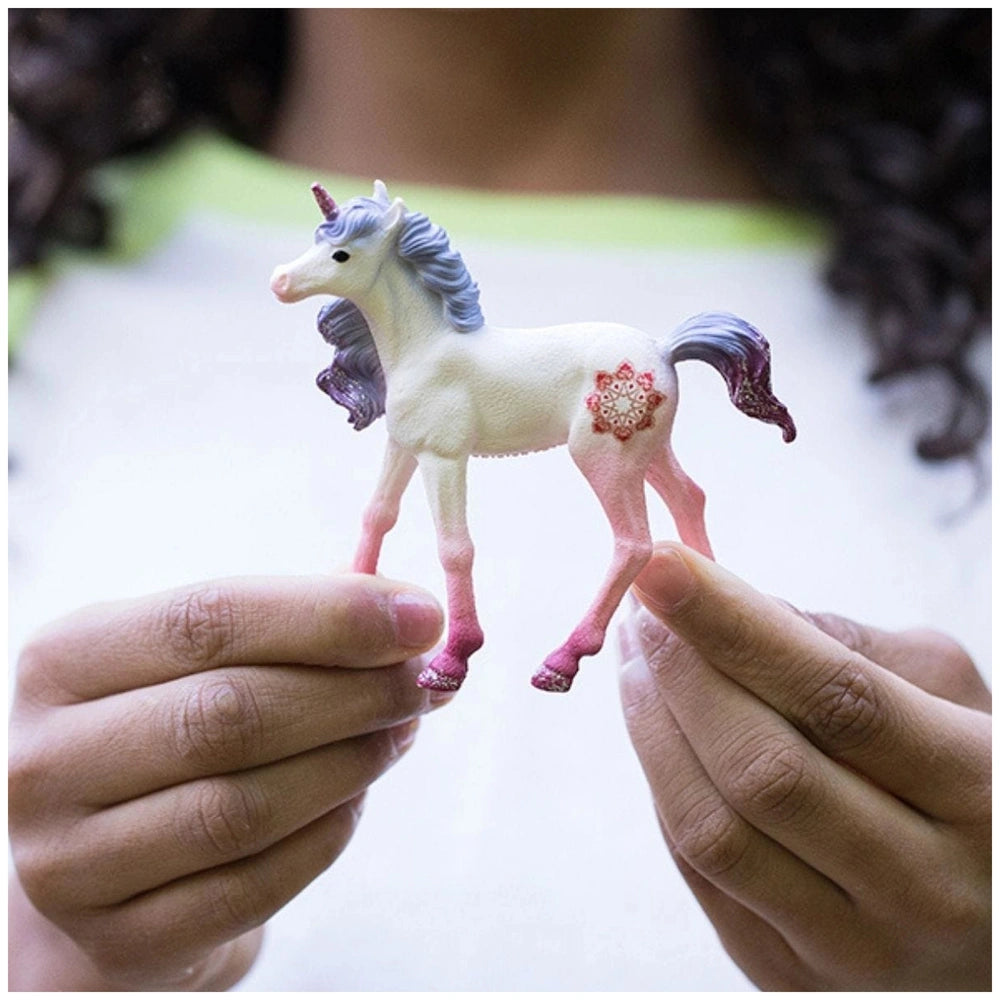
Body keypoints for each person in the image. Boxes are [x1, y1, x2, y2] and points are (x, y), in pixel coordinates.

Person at [8, 10, 990, 991]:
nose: (305, 278)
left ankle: (579, 602)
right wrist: (48, 959)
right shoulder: (40, 286)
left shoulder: (961, 307)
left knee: (618, 516)